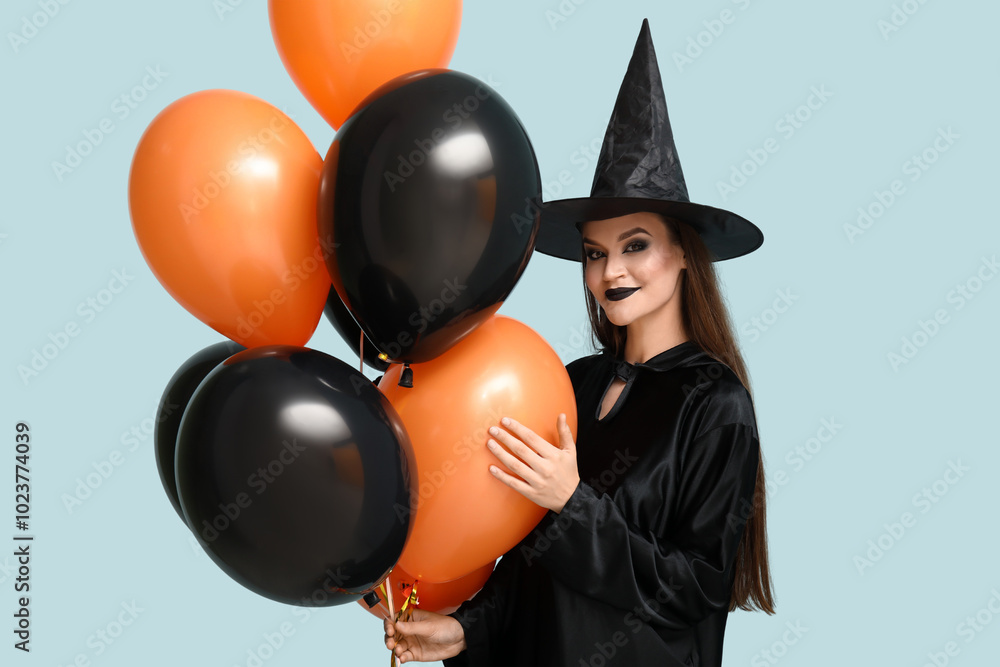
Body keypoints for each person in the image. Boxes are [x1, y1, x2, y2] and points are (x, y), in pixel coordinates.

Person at [384, 18, 775, 666]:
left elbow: (693, 588)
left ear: (683, 254)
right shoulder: (568, 382)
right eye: (596, 253)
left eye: (636, 245)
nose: (611, 272)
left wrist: (573, 501)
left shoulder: (715, 404)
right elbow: (529, 564)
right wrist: (464, 630)